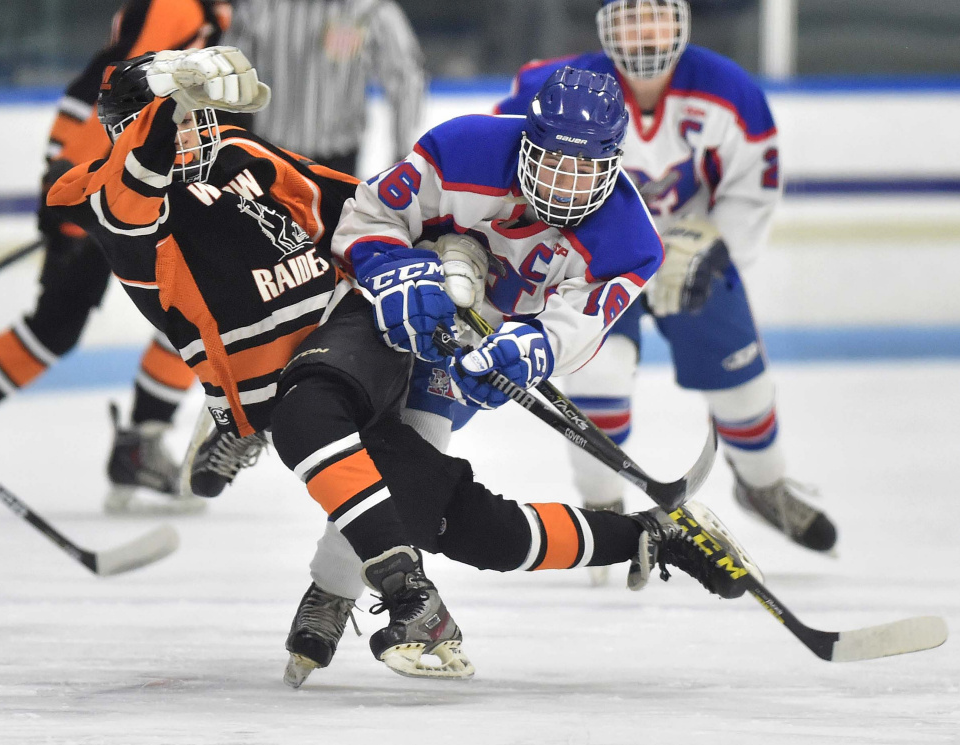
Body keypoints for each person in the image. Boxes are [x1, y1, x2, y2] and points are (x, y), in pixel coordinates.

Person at [46, 50, 760, 690]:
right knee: (311, 414)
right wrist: (395, 268)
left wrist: (525, 347)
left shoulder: (629, 240)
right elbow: (363, 214)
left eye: (584, 168)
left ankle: (641, 536)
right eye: (552, 161)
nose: (566, 184)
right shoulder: (125, 205)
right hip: (374, 322)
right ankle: (371, 565)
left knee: (437, 507)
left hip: (470, 338)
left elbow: (346, 202)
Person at [493, 0, 837, 578]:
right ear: (604, 26)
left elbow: (756, 181)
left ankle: (764, 487)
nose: (643, 34)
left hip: (692, 253)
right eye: (628, 18)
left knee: (742, 384)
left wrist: (720, 245)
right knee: (598, 375)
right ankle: (601, 508)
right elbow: (510, 164)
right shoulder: (558, 87)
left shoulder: (729, 89)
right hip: (598, 251)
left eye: (654, 16)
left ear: (680, 21)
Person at [0, 0, 235, 515]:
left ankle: (139, 443)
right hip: (123, 182)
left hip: (148, 179)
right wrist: (72, 183)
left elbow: (98, 80)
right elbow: (110, 83)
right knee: (71, 325)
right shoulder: (176, 6)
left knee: (183, 311)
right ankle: (133, 444)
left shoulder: (209, 10)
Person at [223, 0, 426, 175]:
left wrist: (402, 153)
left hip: (337, 158)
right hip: (271, 155)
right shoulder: (260, 6)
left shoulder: (366, 9)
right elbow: (227, 72)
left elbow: (405, 78)